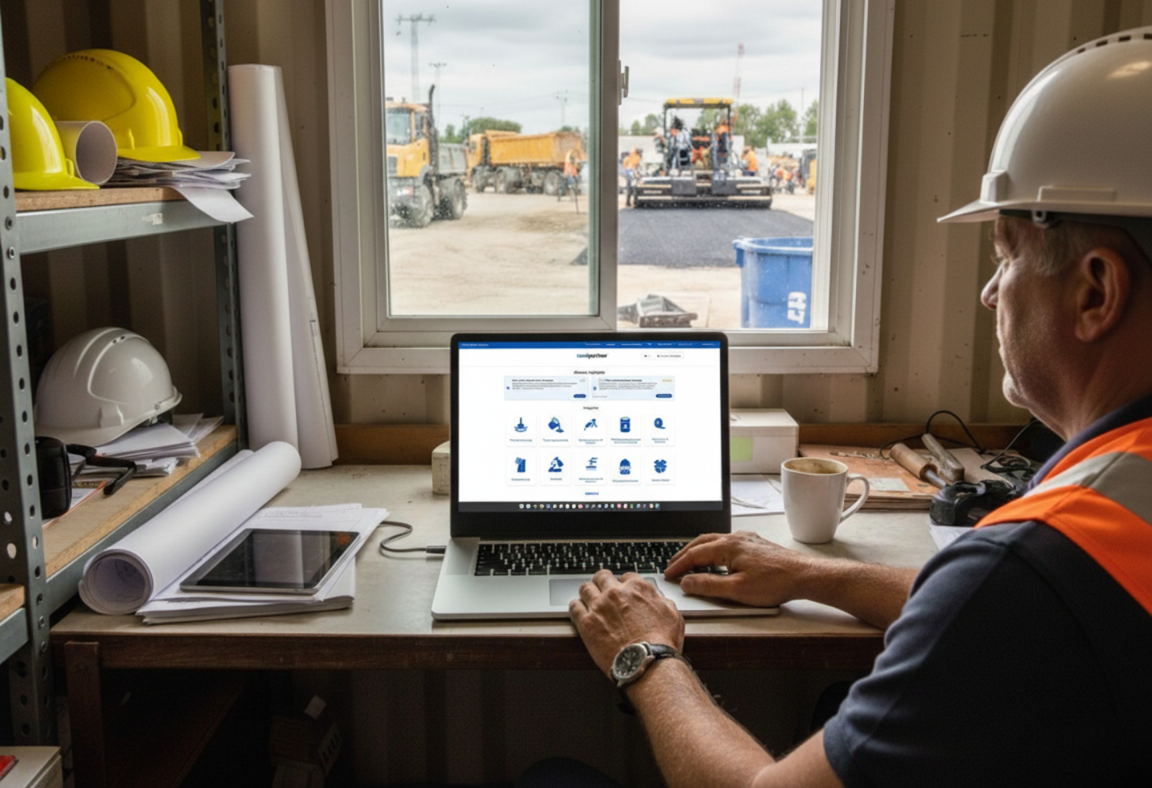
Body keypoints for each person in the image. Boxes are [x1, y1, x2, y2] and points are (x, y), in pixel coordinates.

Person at [550, 26, 1152, 788]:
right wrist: (808, 574)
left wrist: (646, 655)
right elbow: (1008, 610)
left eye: (1005, 256)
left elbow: (1003, 603)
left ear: (1096, 290)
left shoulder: (1031, 568)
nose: (989, 293)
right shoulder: (1086, 537)